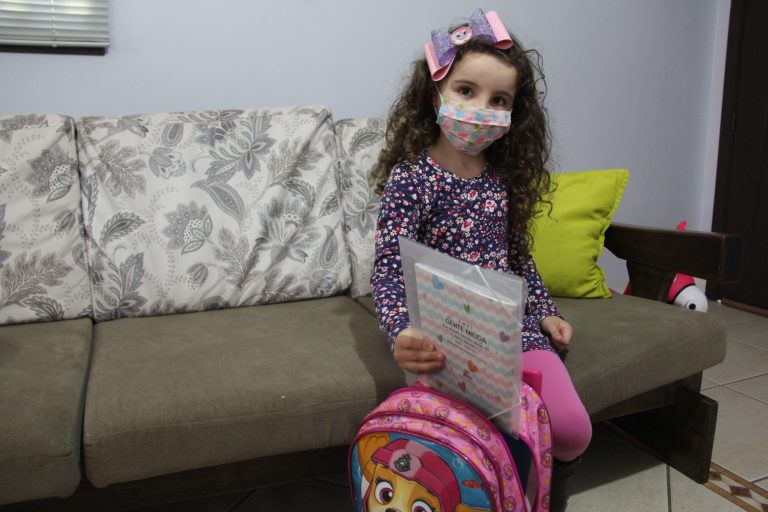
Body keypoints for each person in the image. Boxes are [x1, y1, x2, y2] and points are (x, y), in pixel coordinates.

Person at [370, 9, 591, 511]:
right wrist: (402, 333)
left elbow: (518, 257)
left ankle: (549, 488)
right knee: (470, 446)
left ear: (514, 113)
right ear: (436, 95)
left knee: (573, 430)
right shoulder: (411, 177)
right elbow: (388, 270)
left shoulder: (501, 179)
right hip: (443, 337)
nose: (480, 109)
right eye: (466, 91)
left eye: (499, 100)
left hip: (513, 330)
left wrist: (546, 312)